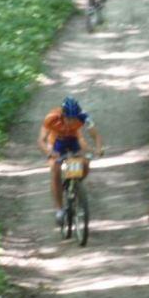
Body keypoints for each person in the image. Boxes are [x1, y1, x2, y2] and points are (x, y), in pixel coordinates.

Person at [39, 96, 104, 225]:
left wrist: (98, 148)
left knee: (84, 164)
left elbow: (95, 134)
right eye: (68, 118)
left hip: (73, 140)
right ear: (63, 115)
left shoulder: (84, 116)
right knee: (55, 169)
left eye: (74, 118)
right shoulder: (52, 117)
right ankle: (59, 209)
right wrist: (50, 153)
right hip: (56, 142)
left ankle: (75, 186)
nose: (71, 121)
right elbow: (41, 140)